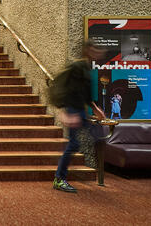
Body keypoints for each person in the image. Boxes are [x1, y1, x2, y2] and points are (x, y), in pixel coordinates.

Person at [52, 39, 106, 193]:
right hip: (73, 110)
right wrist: (64, 112)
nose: (99, 53)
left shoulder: (87, 67)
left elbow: (85, 93)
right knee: (74, 144)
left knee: (97, 135)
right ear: (87, 50)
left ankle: (101, 170)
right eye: (96, 50)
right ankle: (59, 179)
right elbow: (67, 89)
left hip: (80, 110)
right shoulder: (77, 67)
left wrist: (95, 109)